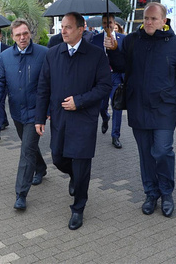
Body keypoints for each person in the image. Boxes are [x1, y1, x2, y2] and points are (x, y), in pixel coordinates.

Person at [104, 2, 176, 218]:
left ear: (164, 21)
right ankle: (151, 194)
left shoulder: (175, 44)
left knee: (163, 150)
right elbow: (120, 66)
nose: (148, 22)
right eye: (146, 18)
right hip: (138, 106)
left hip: (165, 107)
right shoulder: (132, 40)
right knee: (146, 154)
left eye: (153, 19)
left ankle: (166, 193)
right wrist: (112, 50)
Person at [35, 12, 112, 230]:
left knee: (82, 165)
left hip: (84, 119)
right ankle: (74, 177)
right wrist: (39, 117)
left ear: (81, 29)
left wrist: (80, 101)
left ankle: (78, 207)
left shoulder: (96, 55)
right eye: (62, 27)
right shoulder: (52, 54)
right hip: (60, 119)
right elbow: (43, 88)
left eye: (68, 27)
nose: (63, 31)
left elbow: (104, 87)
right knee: (58, 158)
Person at [0, 19, 48, 211]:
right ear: (12, 37)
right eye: (18, 35)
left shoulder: (43, 54)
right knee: (28, 145)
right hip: (16, 111)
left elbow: (51, 83)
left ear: (29, 33)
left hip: (36, 112)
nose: (22, 38)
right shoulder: (5, 57)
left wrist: (47, 110)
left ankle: (21, 193)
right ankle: (41, 168)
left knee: (26, 150)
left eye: (25, 34)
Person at [91, 14, 125, 149]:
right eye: (104, 23)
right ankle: (105, 118)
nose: (107, 25)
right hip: (101, 78)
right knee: (101, 106)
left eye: (109, 22)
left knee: (117, 106)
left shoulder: (123, 39)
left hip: (116, 76)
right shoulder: (95, 39)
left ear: (114, 23)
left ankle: (115, 135)